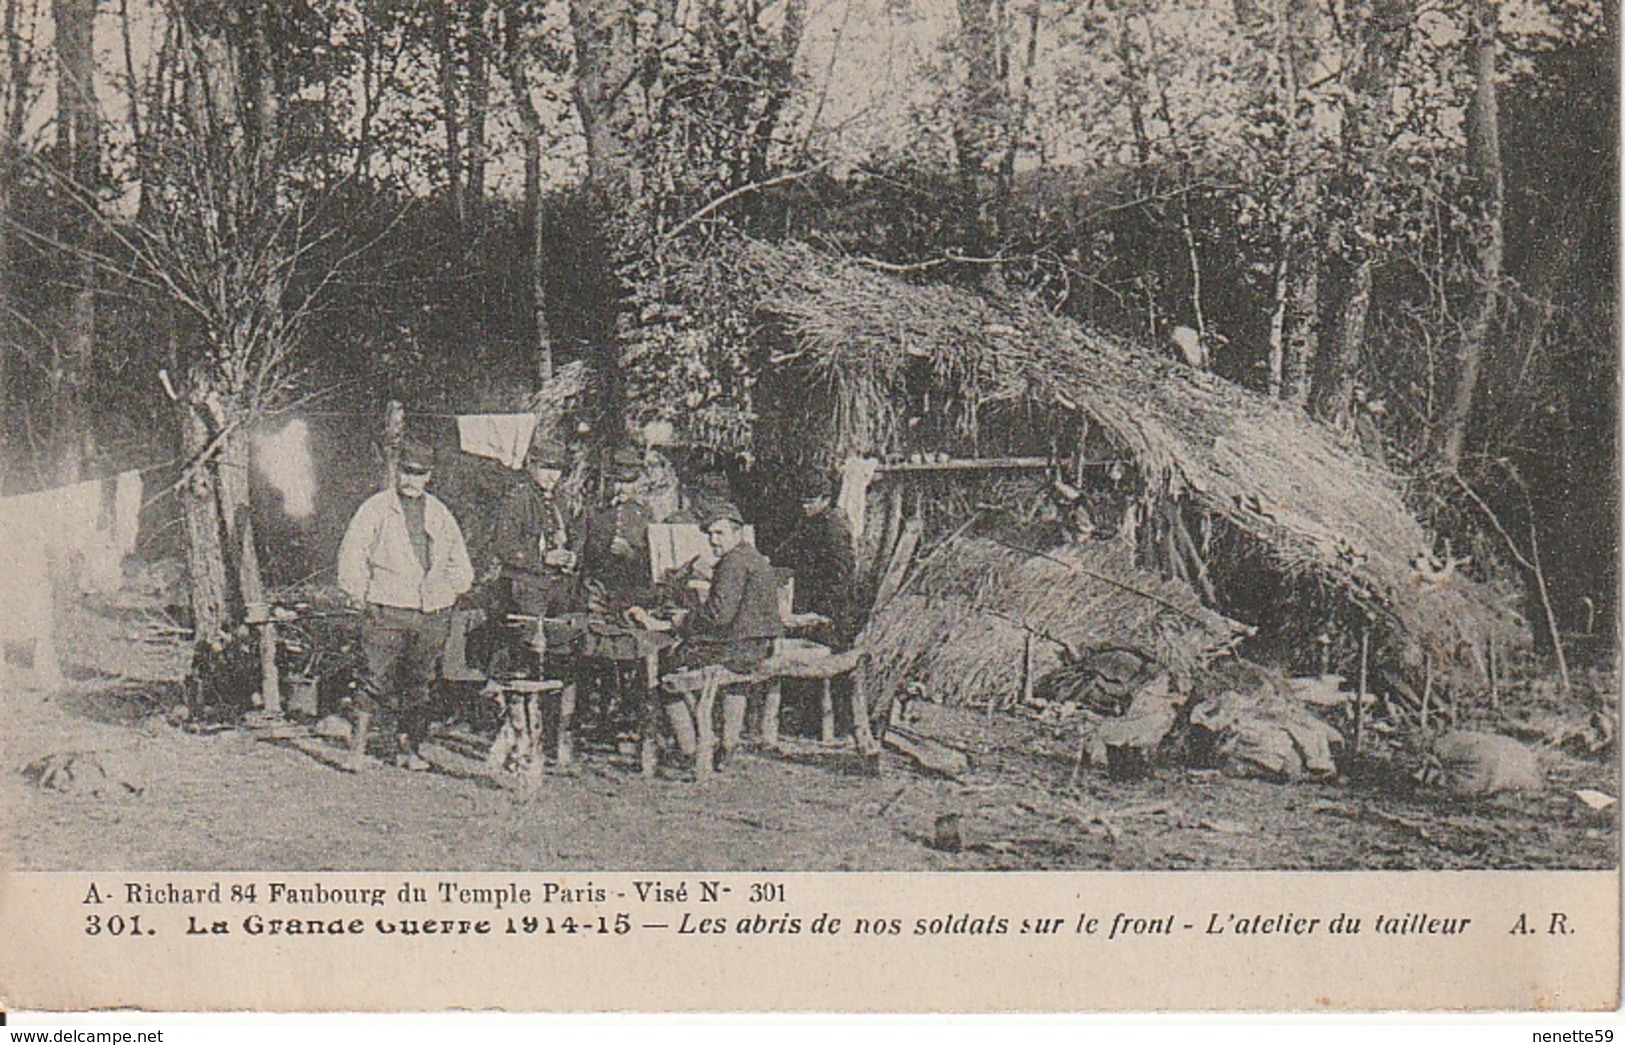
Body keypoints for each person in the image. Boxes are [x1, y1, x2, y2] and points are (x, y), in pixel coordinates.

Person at [336, 440, 474, 772]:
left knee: (419, 682)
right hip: (387, 608)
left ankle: (408, 748)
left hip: (430, 613)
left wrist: (447, 592)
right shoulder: (377, 508)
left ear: (430, 476)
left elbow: (460, 564)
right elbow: (352, 554)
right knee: (374, 678)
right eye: (407, 472)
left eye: (420, 474)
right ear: (398, 472)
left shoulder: (439, 513)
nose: (412, 480)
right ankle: (357, 750)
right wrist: (362, 595)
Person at [631, 503, 782, 772]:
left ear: (737, 533)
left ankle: (688, 749)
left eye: (720, 533)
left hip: (734, 650)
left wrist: (679, 620)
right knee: (734, 684)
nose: (714, 540)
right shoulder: (754, 557)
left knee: (666, 667)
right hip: (756, 648)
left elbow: (718, 617)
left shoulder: (732, 562)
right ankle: (727, 747)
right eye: (711, 534)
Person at [489, 440, 586, 764]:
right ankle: (519, 734)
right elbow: (503, 546)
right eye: (545, 468)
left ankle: (559, 736)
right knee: (525, 660)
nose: (550, 476)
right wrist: (543, 557)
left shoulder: (561, 500)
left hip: (557, 591)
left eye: (556, 470)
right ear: (531, 466)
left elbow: (570, 538)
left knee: (565, 657)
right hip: (524, 588)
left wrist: (571, 558)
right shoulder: (517, 498)